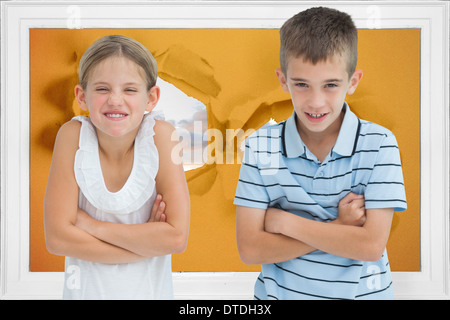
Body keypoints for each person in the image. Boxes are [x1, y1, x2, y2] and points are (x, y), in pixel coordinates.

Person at [234, 7, 407, 300]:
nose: (316, 102)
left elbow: (370, 246)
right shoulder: (259, 146)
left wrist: (286, 223)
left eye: (330, 85)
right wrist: (340, 227)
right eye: (301, 84)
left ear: (353, 82)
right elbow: (250, 249)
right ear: (283, 80)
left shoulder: (380, 144)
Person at [44, 35, 190, 300]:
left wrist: (91, 225)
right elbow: (57, 239)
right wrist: (145, 244)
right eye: (102, 89)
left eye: (130, 90)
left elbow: (176, 238)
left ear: (151, 97)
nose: (115, 100)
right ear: (82, 96)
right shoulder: (71, 136)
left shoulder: (162, 136)